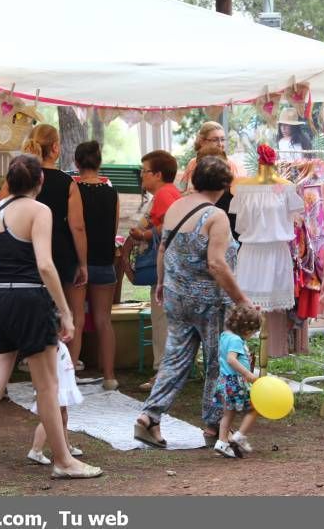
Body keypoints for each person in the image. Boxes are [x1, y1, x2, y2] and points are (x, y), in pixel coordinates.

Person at [0, 155, 101, 487]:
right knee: (48, 386)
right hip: (28, 299)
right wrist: (65, 311)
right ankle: (64, 460)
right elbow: (46, 265)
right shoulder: (39, 211)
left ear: (9, 181)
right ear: (40, 183)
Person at [134, 156, 252, 448]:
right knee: (217, 361)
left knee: (175, 358)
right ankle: (213, 427)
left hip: (176, 295)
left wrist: (161, 283)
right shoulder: (216, 216)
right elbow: (217, 264)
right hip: (209, 301)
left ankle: (149, 417)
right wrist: (242, 300)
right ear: (225, 186)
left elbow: (162, 248)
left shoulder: (176, 207)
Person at [23, 125, 89, 370]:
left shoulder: (22, 178)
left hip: (28, 251)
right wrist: (83, 263)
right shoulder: (67, 183)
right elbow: (78, 226)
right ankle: (69, 366)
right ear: (55, 148)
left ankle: (38, 364)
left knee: (36, 311)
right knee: (71, 312)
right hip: (61, 251)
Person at [126, 150, 181, 391]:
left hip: (166, 269)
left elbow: (170, 228)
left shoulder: (164, 195)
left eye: (144, 171)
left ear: (158, 174)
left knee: (162, 320)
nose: (141, 175)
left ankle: (163, 373)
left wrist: (144, 235)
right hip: (168, 268)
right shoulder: (167, 193)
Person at [74, 141, 119, 390]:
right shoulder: (111, 191)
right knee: (104, 320)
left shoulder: (73, 190)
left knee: (76, 320)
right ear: (99, 161)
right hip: (104, 259)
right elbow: (113, 228)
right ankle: (110, 375)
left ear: (77, 162)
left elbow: (75, 225)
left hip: (79, 261)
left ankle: (69, 376)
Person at [179, 121, 245, 240]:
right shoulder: (192, 163)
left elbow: (237, 202)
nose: (220, 144)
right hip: (192, 223)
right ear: (202, 141)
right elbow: (181, 190)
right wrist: (186, 195)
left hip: (220, 225)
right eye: (215, 139)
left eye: (223, 139)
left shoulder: (231, 165)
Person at [213, 304, 262, 459]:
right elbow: (231, 359)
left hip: (225, 381)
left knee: (228, 414)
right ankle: (239, 436)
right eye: (253, 332)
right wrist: (248, 374)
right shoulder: (235, 340)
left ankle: (221, 443)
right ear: (246, 330)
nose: (252, 335)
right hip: (235, 382)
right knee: (256, 407)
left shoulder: (225, 335)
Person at [27, 340, 84, 465]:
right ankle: (36, 449)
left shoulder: (59, 343)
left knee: (63, 415)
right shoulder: (51, 343)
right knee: (52, 418)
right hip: (57, 387)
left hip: (63, 384)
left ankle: (66, 446)